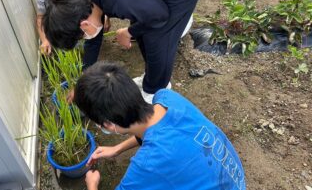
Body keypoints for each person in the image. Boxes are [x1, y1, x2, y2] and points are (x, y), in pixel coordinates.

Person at [44, 0, 216, 103]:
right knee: (142, 21)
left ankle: (156, 92)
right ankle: (150, 79)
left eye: (82, 36)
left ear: (84, 24)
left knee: (159, 34)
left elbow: (160, 16)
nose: (86, 38)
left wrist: (129, 32)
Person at [74, 62, 246, 190]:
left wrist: (92, 184)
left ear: (108, 125)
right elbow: (153, 129)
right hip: (234, 180)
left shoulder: (147, 164)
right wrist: (118, 148)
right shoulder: (167, 98)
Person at [36, 0, 110, 68]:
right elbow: (41, 16)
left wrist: (104, 16)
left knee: (95, 33)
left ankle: (88, 68)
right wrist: (45, 40)